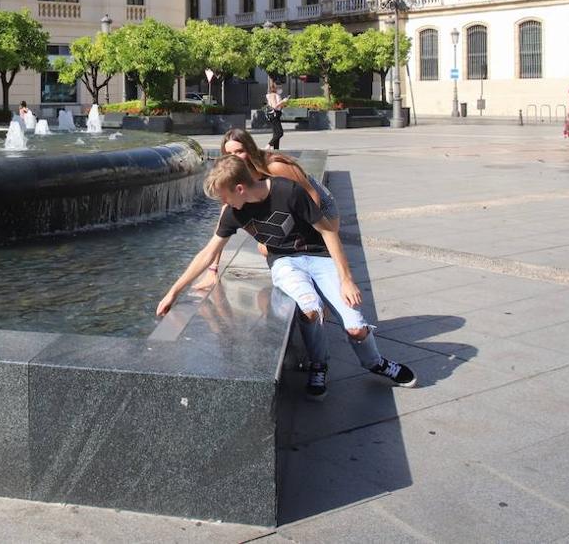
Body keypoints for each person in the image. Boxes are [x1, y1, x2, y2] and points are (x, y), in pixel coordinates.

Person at [157, 152, 416, 402]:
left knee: (356, 328)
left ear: (239, 189)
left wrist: (346, 278)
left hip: (319, 258)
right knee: (309, 307)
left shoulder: (287, 191)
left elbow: (328, 232)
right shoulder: (234, 213)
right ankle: (318, 365)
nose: (223, 205)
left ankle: (376, 362)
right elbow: (207, 254)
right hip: (284, 263)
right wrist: (173, 292)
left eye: (224, 197)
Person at [265, 78, 288, 150]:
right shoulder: (275, 95)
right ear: (276, 88)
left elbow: (274, 106)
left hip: (271, 115)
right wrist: (283, 101)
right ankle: (268, 146)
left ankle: (276, 149)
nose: (280, 89)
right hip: (275, 114)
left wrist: (283, 104)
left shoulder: (268, 95)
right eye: (279, 87)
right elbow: (275, 106)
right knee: (280, 133)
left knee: (275, 133)